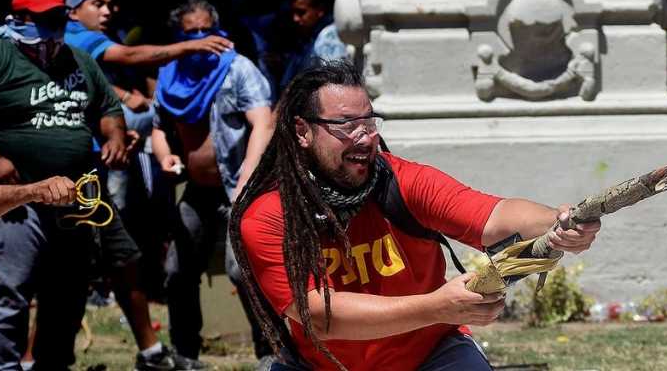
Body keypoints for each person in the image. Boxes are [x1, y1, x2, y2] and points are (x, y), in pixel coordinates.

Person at [230, 60, 600, 370]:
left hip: (428, 357)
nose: (364, 137)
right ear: (302, 131)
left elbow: (494, 215)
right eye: (345, 125)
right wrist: (437, 306)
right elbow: (321, 316)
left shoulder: (400, 181)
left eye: (369, 122)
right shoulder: (269, 215)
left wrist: (558, 221)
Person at [0, 0, 141, 370]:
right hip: (17, 199)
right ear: (19, 19)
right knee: (10, 290)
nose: (53, 27)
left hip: (75, 198)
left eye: (58, 17)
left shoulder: (78, 59)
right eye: (43, 19)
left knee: (68, 293)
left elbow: (108, 108)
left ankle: (53, 365)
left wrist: (114, 137)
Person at [65, 0, 207, 370]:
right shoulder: (77, 37)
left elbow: (101, 101)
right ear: (73, 12)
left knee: (122, 257)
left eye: (110, 3)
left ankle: (150, 353)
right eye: (98, 3)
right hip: (74, 176)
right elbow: (129, 55)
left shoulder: (80, 49)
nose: (107, 10)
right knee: (71, 269)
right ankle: (31, 358)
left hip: (96, 170)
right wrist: (187, 47)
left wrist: (115, 130)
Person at [151, 0, 275, 363]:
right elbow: (159, 127)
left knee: (244, 272)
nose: (202, 40)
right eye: (192, 34)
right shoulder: (172, 74)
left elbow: (264, 123)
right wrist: (165, 156)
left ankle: (270, 354)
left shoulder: (237, 69)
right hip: (197, 191)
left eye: (207, 31)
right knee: (177, 271)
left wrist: (247, 180)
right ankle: (186, 354)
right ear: (180, 37)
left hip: (241, 189)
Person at [278, 0, 347, 96]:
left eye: (301, 12)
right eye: (293, 13)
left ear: (319, 10)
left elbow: (335, 83)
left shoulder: (329, 37)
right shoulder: (306, 36)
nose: (295, 18)